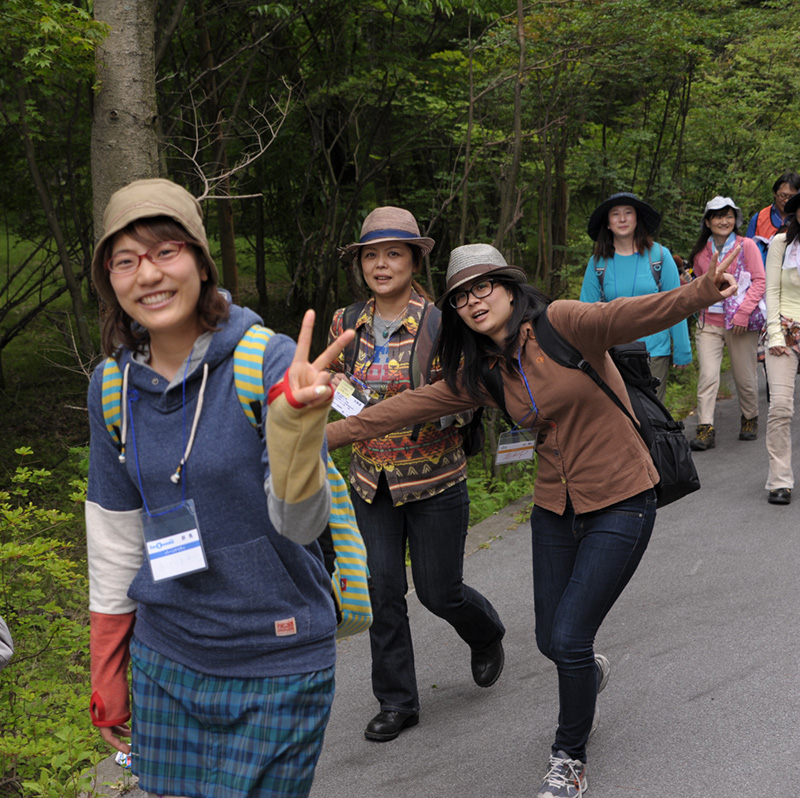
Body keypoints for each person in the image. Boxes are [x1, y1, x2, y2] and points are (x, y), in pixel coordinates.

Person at [327, 243, 737, 798]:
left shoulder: (563, 324)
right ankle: (585, 675)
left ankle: (569, 758)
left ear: (509, 287)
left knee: (569, 637)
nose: (474, 302)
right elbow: (408, 406)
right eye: (460, 297)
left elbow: (632, 313)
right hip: (554, 505)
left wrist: (702, 291)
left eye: (483, 287)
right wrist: (316, 437)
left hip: (622, 494)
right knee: (551, 640)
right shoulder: (484, 371)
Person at [85, 178, 352, 797]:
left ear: (202, 263)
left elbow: (301, 524)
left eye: (165, 251)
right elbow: (115, 535)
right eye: (125, 261)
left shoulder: (269, 362)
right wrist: (108, 668)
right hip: (167, 655)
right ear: (109, 281)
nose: (148, 274)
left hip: (277, 655)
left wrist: (295, 428)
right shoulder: (111, 387)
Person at [328, 207, 505, 743]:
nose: (381, 265)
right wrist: (332, 390)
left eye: (393, 254)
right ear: (360, 263)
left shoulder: (441, 322)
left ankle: (485, 632)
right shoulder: (344, 322)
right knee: (380, 591)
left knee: (439, 591)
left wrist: (420, 407)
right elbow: (330, 381)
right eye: (371, 255)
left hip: (435, 479)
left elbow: (469, 394)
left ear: (413, 260)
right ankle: (397, 701)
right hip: (370, 483)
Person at [579, 192, 690, 400]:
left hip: (654, 353)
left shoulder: (659, 257)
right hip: (612, 356)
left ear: (637, 219)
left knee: (652, 413)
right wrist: (586, 355)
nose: (622, 219)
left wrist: (682, 348)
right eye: (615, 214)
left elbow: (677, 304)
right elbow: (585, 313)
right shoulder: (598, 264)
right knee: (619, 413)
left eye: (628, 213)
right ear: (608, 224)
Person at [685, 196, 766, 450]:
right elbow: (697, 284)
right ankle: (705, 427)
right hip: (709, 321)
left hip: (740, 322)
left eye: (728, 216)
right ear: (708, 222)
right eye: (718, 216)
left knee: (744, 376)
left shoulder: (746, 246)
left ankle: (750, 417)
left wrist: (743, 313)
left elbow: (759, 281)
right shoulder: (701, 252)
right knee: (708, 376)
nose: (724, 221)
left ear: (736, 220)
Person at [763, 191, 800, 506]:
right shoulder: (781, 243)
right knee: (780, 407)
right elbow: (771, 290)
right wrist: (775, 334)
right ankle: (780, 480)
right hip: (785, 328)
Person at [747, 172, 800, 260]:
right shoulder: (759, 218)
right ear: (774, 193)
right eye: (783, 195)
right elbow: (747, 250)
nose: (786, 200)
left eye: (791, 197)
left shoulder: (798, 217)